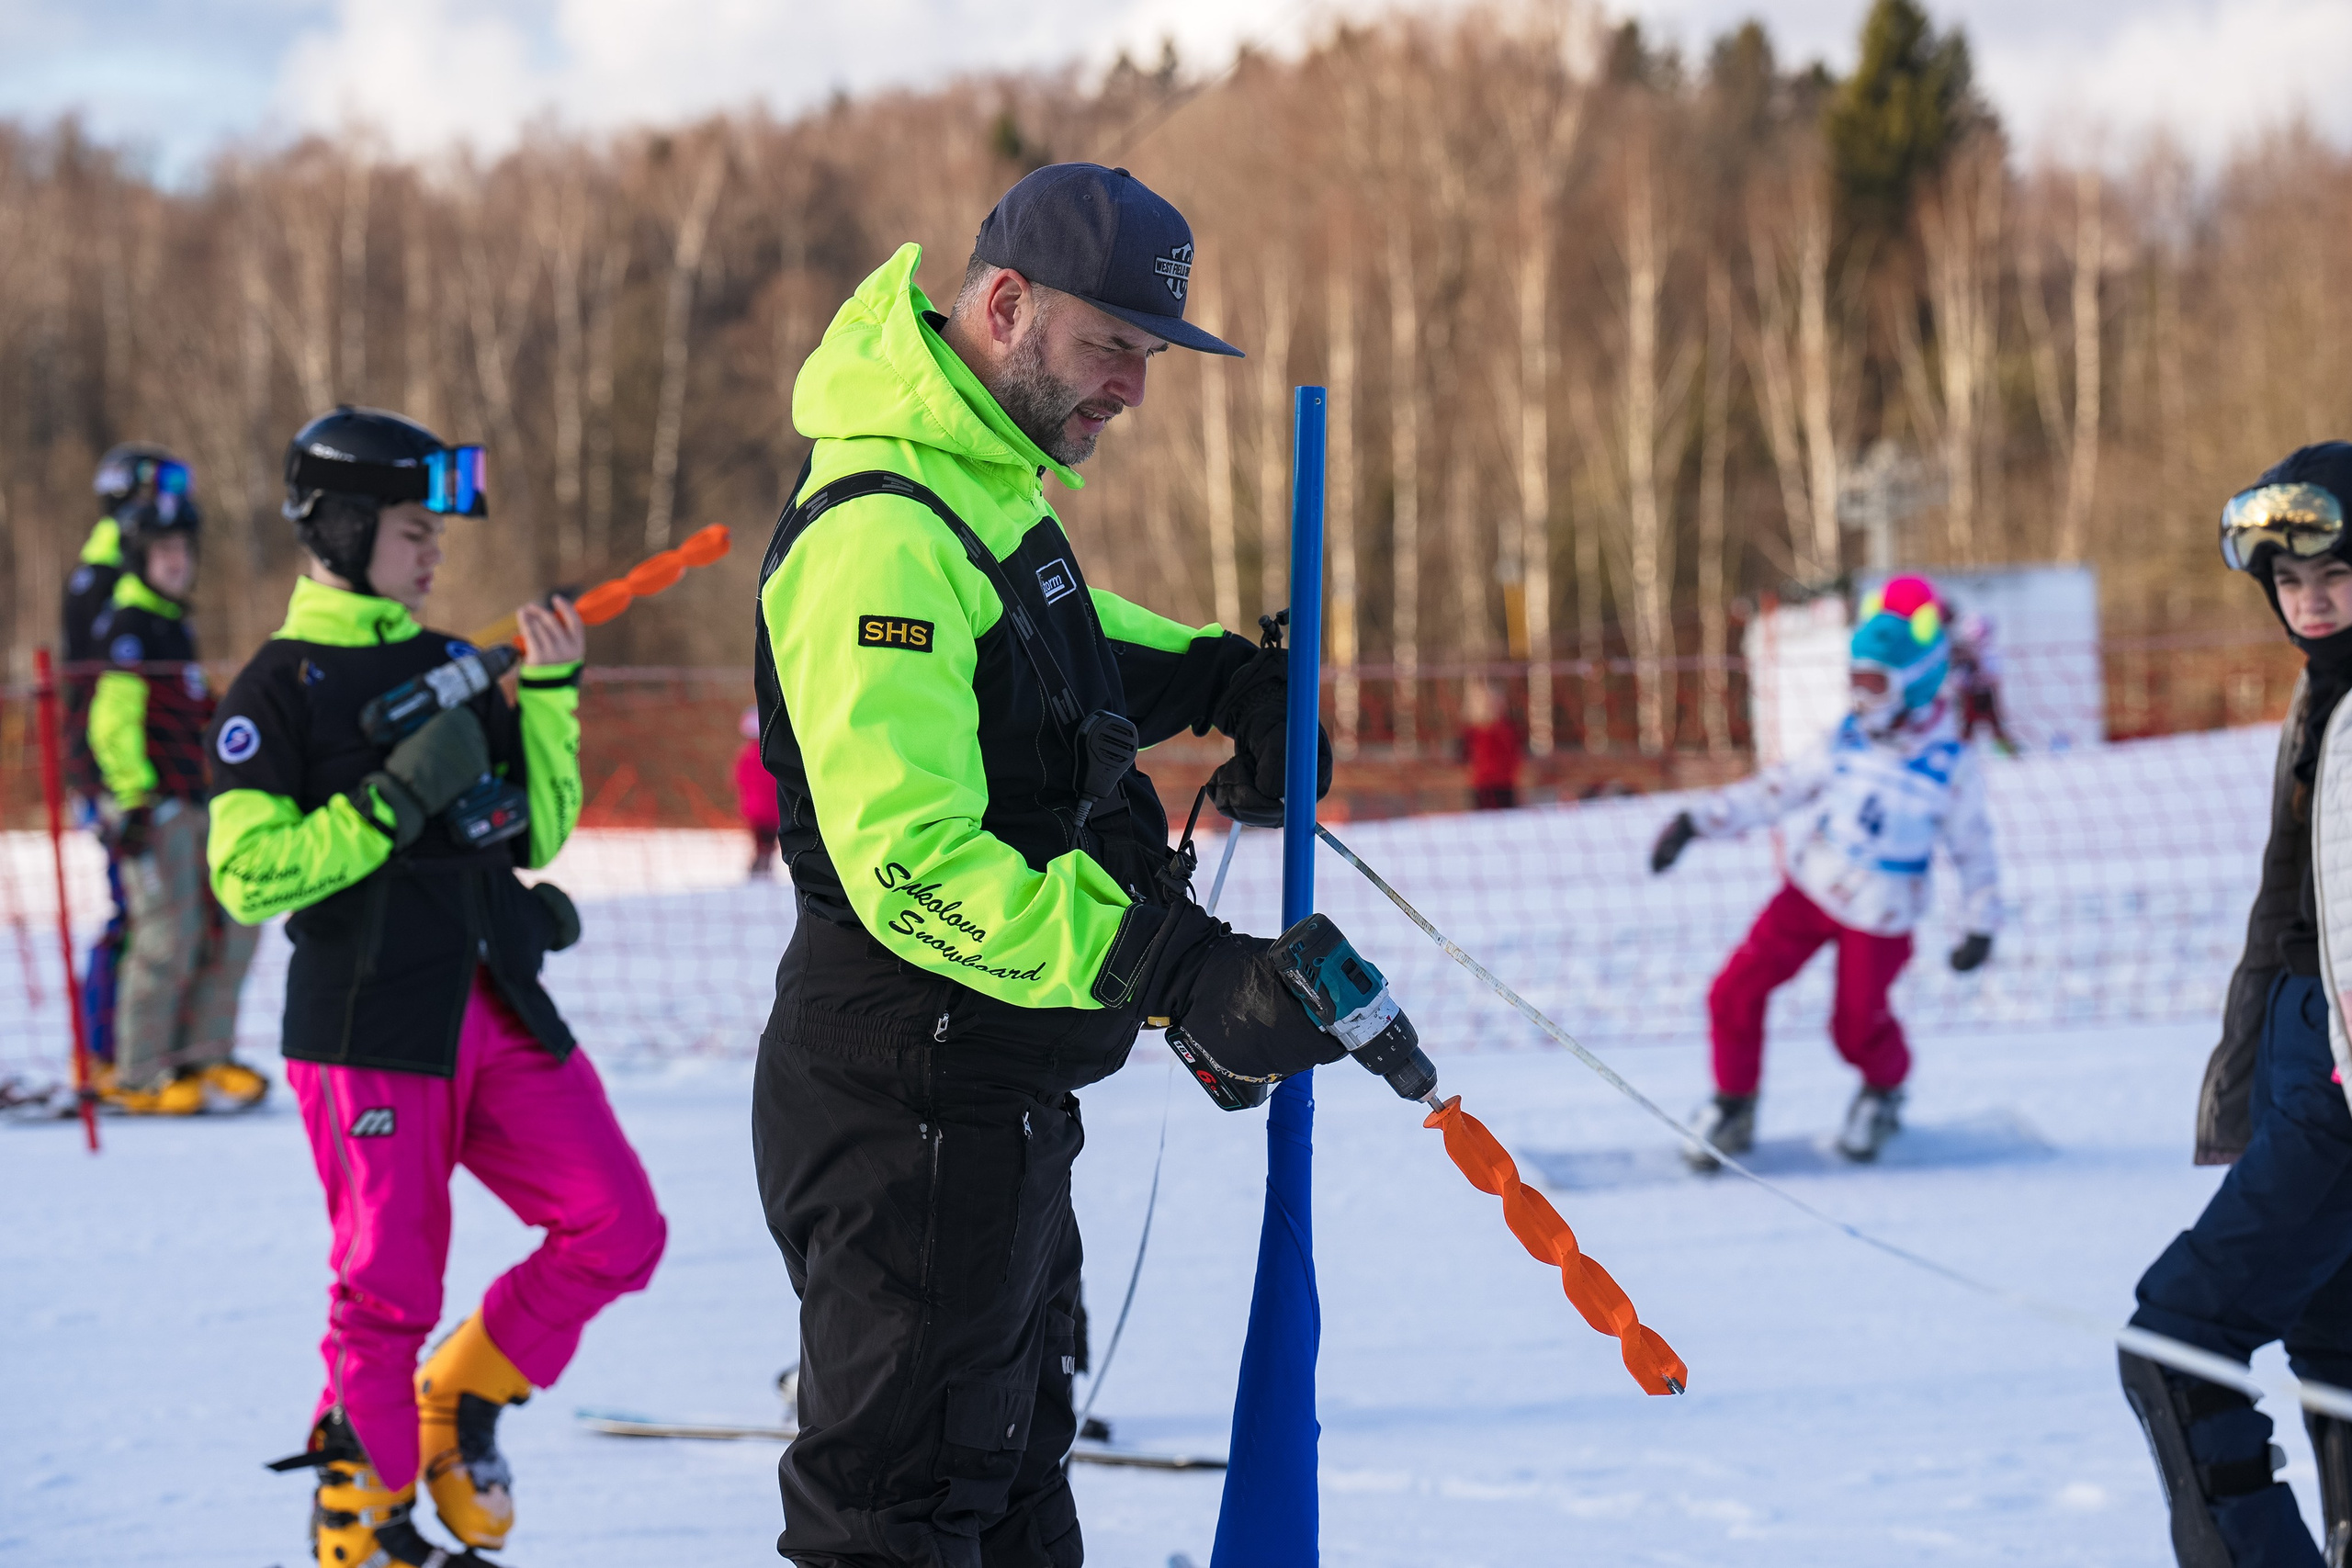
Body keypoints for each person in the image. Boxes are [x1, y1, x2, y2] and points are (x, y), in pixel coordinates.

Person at [752, 164, 1363, 1567]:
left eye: (1145, 358)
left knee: (1012, 1481)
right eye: (1111, 348)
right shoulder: (877, 533)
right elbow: (913, 863)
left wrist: (1230, 677)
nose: (1132, 390)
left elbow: (1064, 646)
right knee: (899, 1520)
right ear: (1008, 306)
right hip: (908, 1091)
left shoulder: (977, 493)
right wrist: (1172, 965)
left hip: (994, 1081)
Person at [206, 406, 666, 1568]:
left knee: (618, 1225)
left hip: (496, 1005)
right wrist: (385, 805)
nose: (436, 552)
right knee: (385, 1292)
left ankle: (458, 1397)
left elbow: (538, 829)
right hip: (368, 1031)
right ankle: (367, 1528)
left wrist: (551, 694)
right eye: (416, 530)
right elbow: (248, 874)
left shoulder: (450, 668)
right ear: (346, 527)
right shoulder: (278, 688)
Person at [2121, 442, 2352, 1567]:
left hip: (2339, 1076)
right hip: (2302, 1056)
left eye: (2333, 578)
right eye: (2289, 586)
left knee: (2178, 1342)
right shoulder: (2329, 693)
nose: (2308, 604)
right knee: (2339, 1352)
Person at [1650, 573, 1998, 1167]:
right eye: (1853, 679)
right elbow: (1776, 791)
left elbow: (1975, 855)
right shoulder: (1846, 739)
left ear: (1912, 683)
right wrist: (1697, 822)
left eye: (1872, 682)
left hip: (1883, 910)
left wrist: (1979, 925)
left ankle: (1884, 1089)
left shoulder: (1950, 766)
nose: (1858, 695)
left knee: (1854, 1027)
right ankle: (1734, 1104)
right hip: (1811, 889)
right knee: (1734, 991)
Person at [85, 480, 266, 1113]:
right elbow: (113, 718)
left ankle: (205, 1052)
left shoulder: (173, 624)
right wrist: (133, 798)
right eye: (164, 551)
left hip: (201, 800)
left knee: (233, 923)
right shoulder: (130, 625)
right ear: (138, 556)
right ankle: (140, 1067)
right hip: (154, 805)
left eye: (184, 550)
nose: (177, 561)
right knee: (168, 934)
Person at [63, 444, 193, 1076]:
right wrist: (125, 785)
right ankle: (100, 1050)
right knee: (134, 914)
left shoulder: (137, 574)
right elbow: (110, 694)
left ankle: (149, 1049)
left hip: (146, 772)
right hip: (113, 773)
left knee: (160, 915)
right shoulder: (105, 579)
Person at [1949, 604, 2018, 754]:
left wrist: (1978, 664)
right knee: (1966, 729)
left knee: (1996, 726)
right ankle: (1960, 755)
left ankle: (2008, 754)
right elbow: (1956, 681)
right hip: (1968, 696)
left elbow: (1995, 680)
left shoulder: (1991, 653)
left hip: (1986, 695)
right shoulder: (1962, 653)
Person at [1457, 680, 1522, 810]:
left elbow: (1515, 756)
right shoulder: (1473, 732)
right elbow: (1465, 758)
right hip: (1484, 787)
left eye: (1500, 701)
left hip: (1505, 785)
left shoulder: (1507, 728)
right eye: (1493, 702)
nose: (1499, 705)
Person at [735, 703, 781, 878]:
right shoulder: (772, 755)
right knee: (767, 840)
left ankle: (760, 865)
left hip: (753, 807)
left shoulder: (746, 754)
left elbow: (738, 779)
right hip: (769, 808)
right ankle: (761, 865)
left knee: (761, 839)